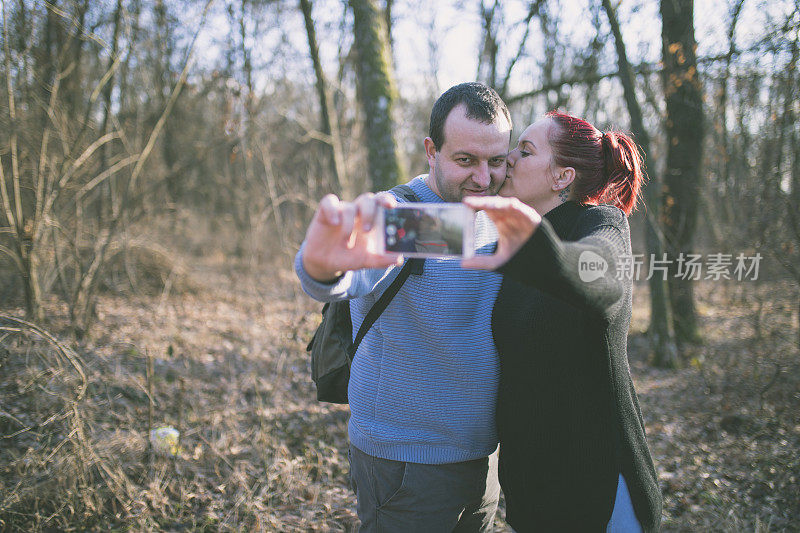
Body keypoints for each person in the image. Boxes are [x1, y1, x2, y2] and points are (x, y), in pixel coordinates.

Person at [294, 82, 512, 532]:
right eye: (466, 160)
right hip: (408, 465)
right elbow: (351, 266)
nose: (484, 178)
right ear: (432, 151)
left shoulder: (492, 218)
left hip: (483, 459)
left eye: (497, 161)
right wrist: (321, 266)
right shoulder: (415, 217)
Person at [462, 111, 662, 532]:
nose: (509, 159)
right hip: (536, 494)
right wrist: (374, 231)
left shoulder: (600, 224)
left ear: (562, 177)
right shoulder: (506, 239)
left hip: (601, 492)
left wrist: (543, 252)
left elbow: (601, 272)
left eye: (526, 150)